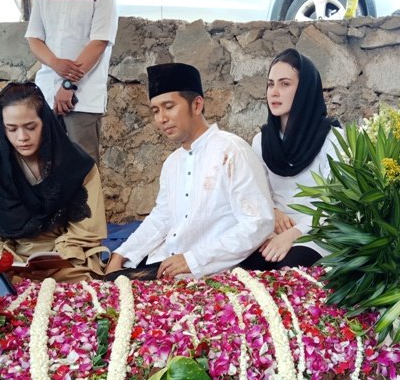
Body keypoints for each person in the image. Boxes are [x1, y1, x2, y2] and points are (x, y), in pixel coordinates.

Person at [105, 63, 274, 280]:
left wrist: (194, 259)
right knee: (109, 280)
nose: (161, 118)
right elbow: (162, 217)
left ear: (196, 105)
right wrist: (124, 252)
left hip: (211, 271)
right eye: (155, 111)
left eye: (169, 106)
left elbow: (258, 222)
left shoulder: (232, 151)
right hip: (168, 263)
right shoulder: (173, 163)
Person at [0, 81, 108, 283]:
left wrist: (55, 261)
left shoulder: (77, 165)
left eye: (30, 127)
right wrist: (14, 264)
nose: (22, 137)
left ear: (45, 121)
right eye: (12, 129)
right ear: (2, 128)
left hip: (69, 260)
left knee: (81, 289)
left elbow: (87, 229)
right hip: (13, 266)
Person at [25, 0, 118, 163]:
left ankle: (87, 205)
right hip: (45, 92)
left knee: (83, 166)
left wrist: (68, 86)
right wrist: (55, 64)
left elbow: (98, 43)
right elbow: (34, 38)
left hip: (84, 97)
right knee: (44, 162)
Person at [243, 48, 339, 271]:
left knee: (287, 271)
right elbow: (254, 193)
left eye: (284, 84)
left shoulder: (333, 140)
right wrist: (272, 214)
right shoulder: (261, 141)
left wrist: (293, 235)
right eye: (270, 84)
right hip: (272, 228)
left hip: (317, 233)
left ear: (305, 89)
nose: (274, 92)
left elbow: (337, 206)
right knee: (243, 268)